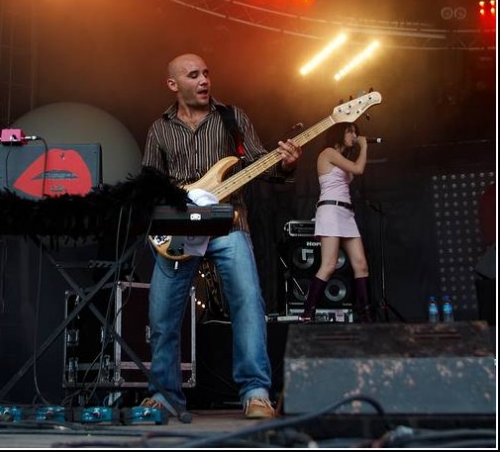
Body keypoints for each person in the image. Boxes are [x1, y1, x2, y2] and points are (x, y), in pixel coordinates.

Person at [141, 53, 302, 419]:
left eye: (206, 73)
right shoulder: (159, 129)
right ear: (173, 84)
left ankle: (256, 393)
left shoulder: (232, 117)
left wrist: (287, 163)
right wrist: (177, 199)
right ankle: (164, 396)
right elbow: (148, 186)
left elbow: (261, 163)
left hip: (230, 224)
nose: (203, 80)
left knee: (248, 302)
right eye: (193, 75)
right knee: (163, 313)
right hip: (180, 229)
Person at [302, 122, 372, 322]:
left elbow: (351, 171)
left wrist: (357, 148)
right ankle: (307, 314)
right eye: (350, 131)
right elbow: (358, 169)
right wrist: (364, 146)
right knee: (329, 264)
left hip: (346, 213)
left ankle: (366, 318)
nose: (354, 135)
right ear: (338, 133)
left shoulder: (341, 158)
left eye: (355, 132)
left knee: (361, 265)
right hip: (331, 210)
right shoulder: (328, 153)